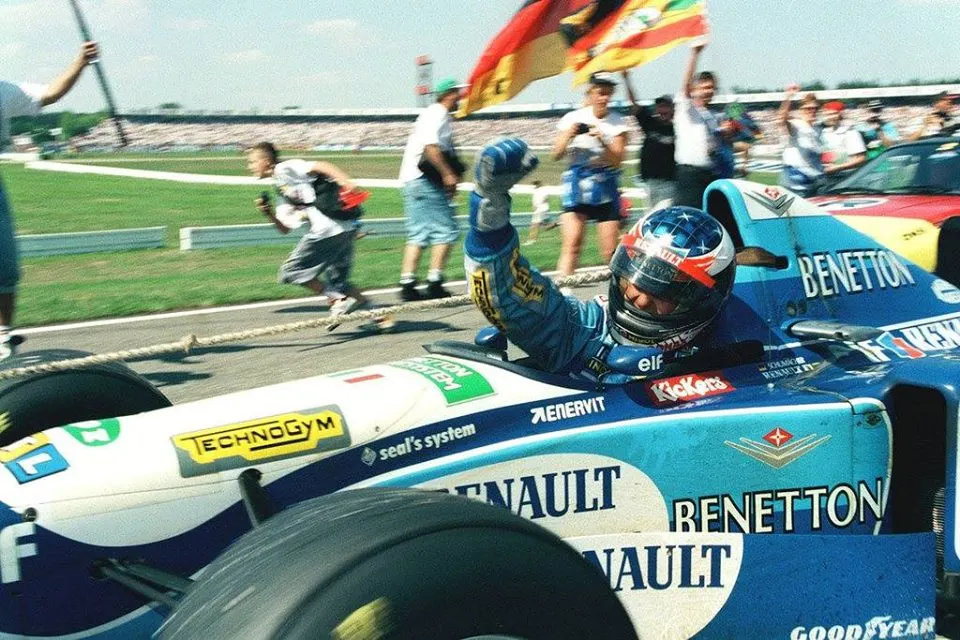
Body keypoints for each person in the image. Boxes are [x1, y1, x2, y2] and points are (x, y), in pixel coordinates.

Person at [465, 136, 737, 384]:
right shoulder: (585, 329)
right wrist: (490, 208)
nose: (636, 297)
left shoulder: (737, 347)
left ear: (703, 301)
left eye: (663, 291)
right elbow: (508, 297)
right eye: (633, 277)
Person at [0, 41, 99, 360]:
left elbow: (50, 93)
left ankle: (2, 339)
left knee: (6, 268)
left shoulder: (5, 91)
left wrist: (80, 63)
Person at [246, 142, 391, 332]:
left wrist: (347, 182)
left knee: (290, 271)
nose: (249, 167)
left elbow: (321, 165)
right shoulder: (282, 190)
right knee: (340, 282)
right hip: (345, 229)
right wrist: (268, 213)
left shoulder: (284, 169)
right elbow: (285, 229)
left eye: (252, 161)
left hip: (326, 229)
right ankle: (379, 317)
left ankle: (338, 300)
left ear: (266, 162)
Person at [552, 72, 630, 286]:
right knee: (572, 244)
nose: (603, 97)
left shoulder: (618, 122)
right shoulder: (572, 118)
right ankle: (563, 296)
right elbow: (556, 154)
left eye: (607, 93)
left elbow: (617, 161)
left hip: (605, 186)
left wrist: (602, 139)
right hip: (577, 186)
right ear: (591, 92)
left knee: (609, 251)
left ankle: (620, 296)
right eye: (599, 92)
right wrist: (568, 135)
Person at [397, 77, 467, 301]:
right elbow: (431, 147)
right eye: (457, 93)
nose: (460, 98)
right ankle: (434, 281)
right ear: (448, 94)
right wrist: (448, 174)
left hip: (415, 180)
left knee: (419, 233)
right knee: (446, 231)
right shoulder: (436, 113)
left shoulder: (433, 114)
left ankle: (407, 283)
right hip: (424, 180)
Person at [673, 40, 735, 209]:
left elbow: (720, 143)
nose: (709, 91)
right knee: (690, 220)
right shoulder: (686, 108)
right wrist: (695, 54)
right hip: (690, 174)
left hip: (712, 172)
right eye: (705, 87)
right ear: (694, 89)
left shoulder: (713, 114)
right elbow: (685, 86)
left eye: (712, 88)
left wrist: (726, 134)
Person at [621, 70, 676, 210]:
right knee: (650, 217)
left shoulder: (679, 128)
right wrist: (626, 79)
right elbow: (634, 104)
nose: (662, 109)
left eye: (666, 106)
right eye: (660, 106)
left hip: (669, 183)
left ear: (673, 109)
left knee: (664, 213)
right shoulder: (650, 123)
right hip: (649, 182)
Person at [778, 87, 826, 197]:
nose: (812, 111)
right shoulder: (796, 125)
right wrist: (788, 97)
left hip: (814, 181)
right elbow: (782, 119)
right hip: (795, 183)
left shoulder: (818, 129)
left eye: (815, 108)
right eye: (808, 108)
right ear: (801, 110)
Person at [819, 101, 867, 184]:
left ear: (840, 114)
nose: (830, 117)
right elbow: (828, 155)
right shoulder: (825, 133)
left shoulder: (850, 132)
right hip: (831, 176)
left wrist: (837, 167)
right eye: (827, 114)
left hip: (849, 176)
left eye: (833, 114)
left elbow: (861, 158)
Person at [523, 180, 556, 245]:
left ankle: (531, 240)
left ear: (538, 184)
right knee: (546, 227)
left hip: (541, 210)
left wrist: (538, 205)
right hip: (540, 210)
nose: (533, 186)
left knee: (534, 225)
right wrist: (534, 206)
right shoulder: (536, 191)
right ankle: (557, 223)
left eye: (534, 185)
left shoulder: (542, 190)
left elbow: (546, 198)